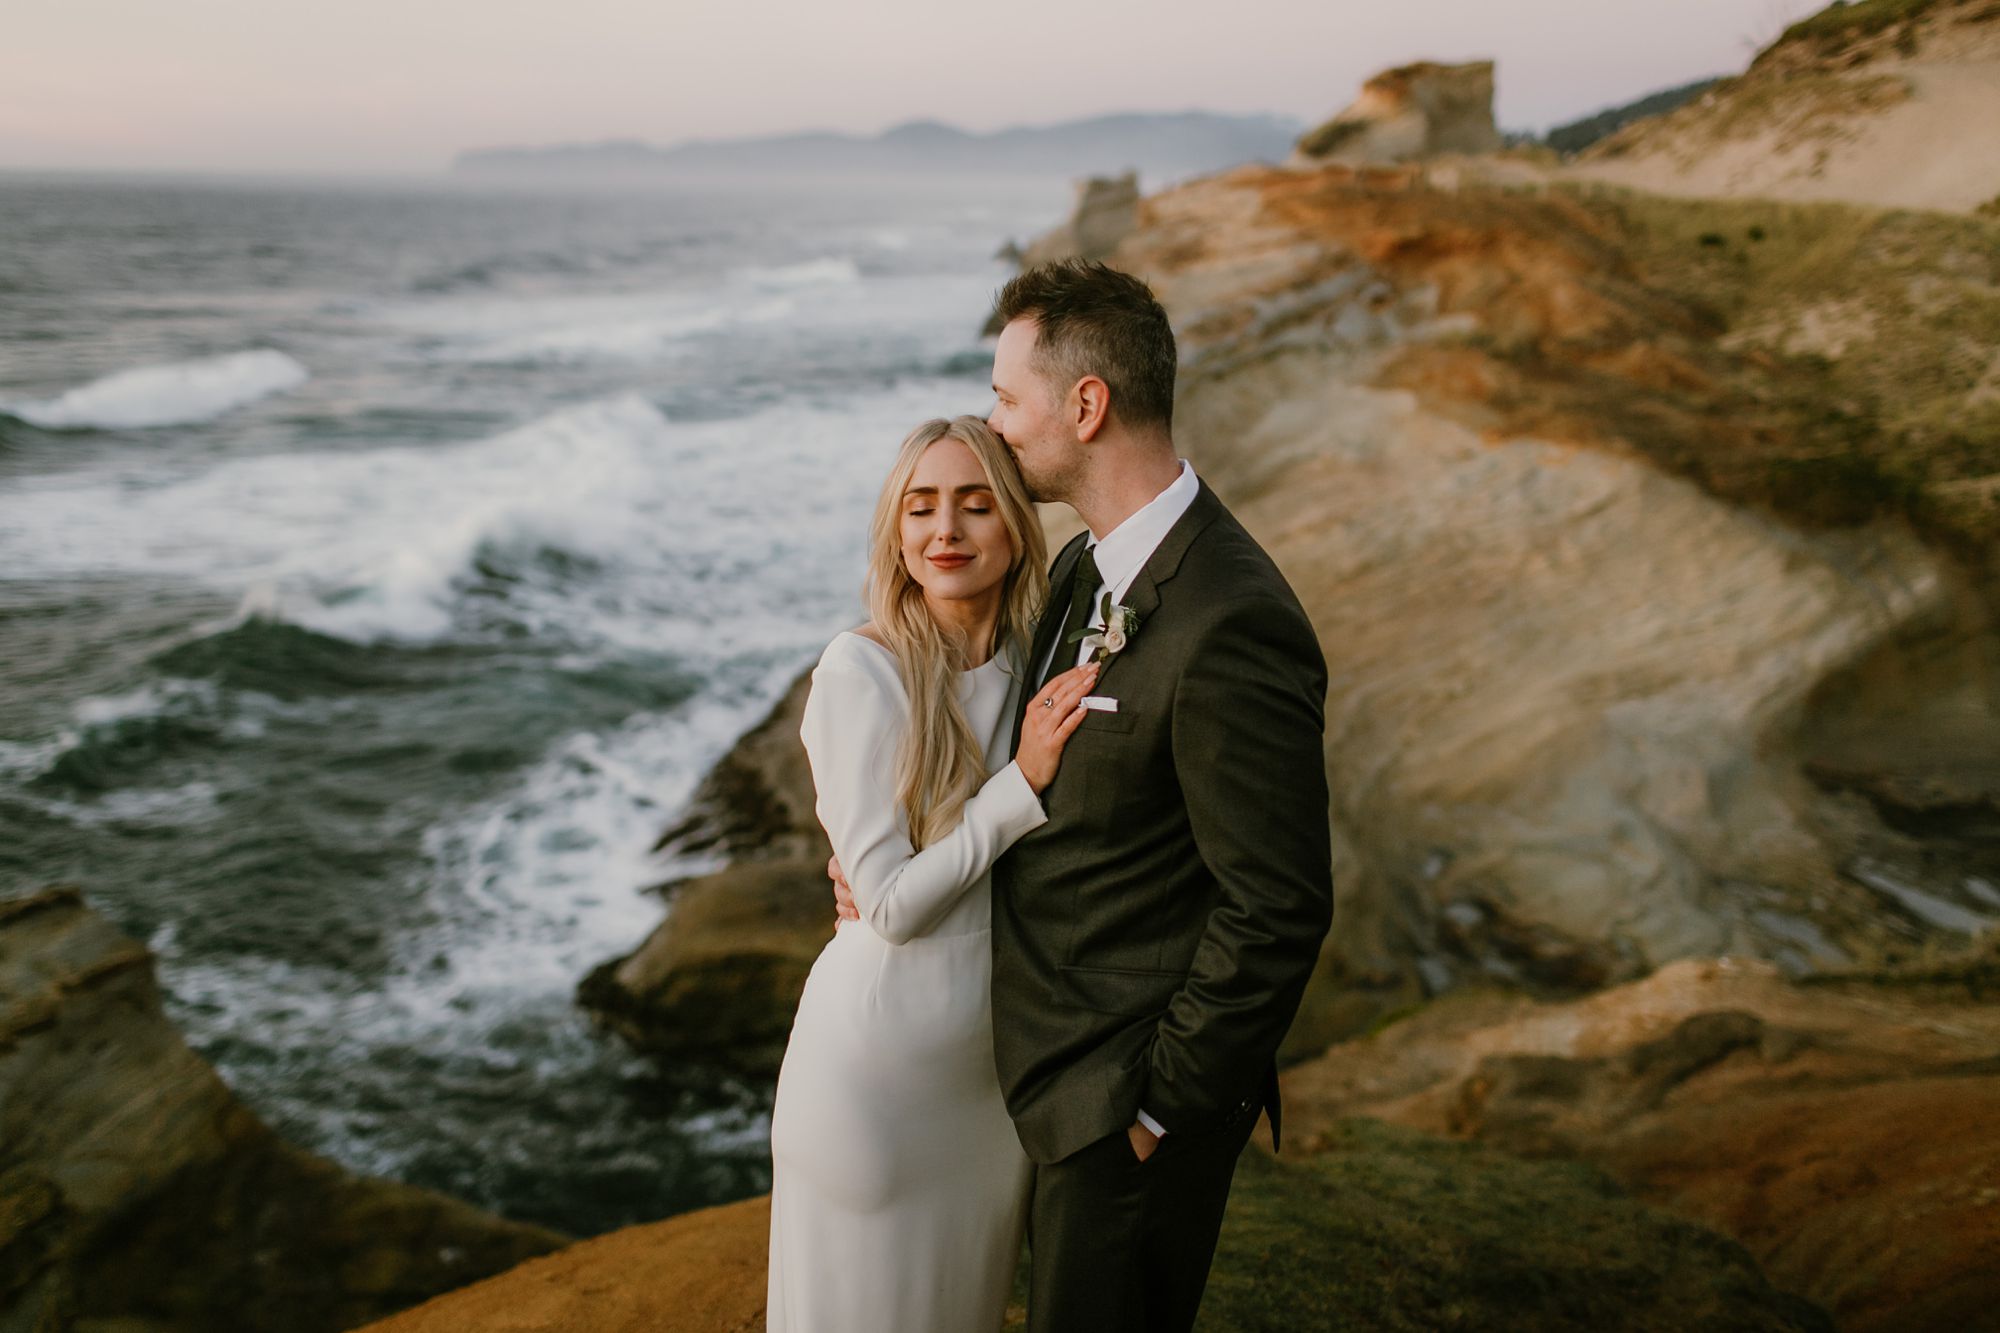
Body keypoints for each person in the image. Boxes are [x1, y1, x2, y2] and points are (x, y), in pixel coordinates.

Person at [831, 258, 1336, 1332]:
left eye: (1008, 398)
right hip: (1043, 1075)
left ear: (1086, 404)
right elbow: (1011, 771)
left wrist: (1158, 1107)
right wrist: (880, 861)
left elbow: (1278, 902)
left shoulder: (1228, 617)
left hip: (1122, 1101)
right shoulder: (1077, 573)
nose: (994, 421)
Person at [765, 414, 1100, 1332]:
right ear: (895, 530)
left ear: (1016, 527)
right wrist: (1021, 780)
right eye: (920, 508)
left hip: (991, 1077)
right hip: (875, 1077)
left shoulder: (1041, 669)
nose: (944, 531)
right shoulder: (859, 672)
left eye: (974, 503)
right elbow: (893, 907)